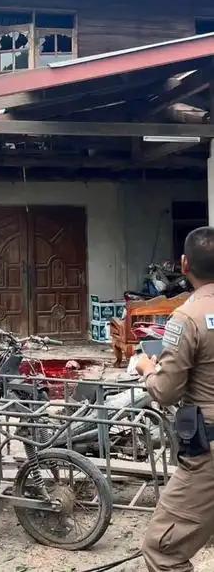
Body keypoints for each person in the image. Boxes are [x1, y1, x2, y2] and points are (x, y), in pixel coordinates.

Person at [136, 226, 214, 571]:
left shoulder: (186, 318)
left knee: (162, 549)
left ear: (184, 264)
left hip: (208, 453)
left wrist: (147, 369)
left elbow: (166, 391)